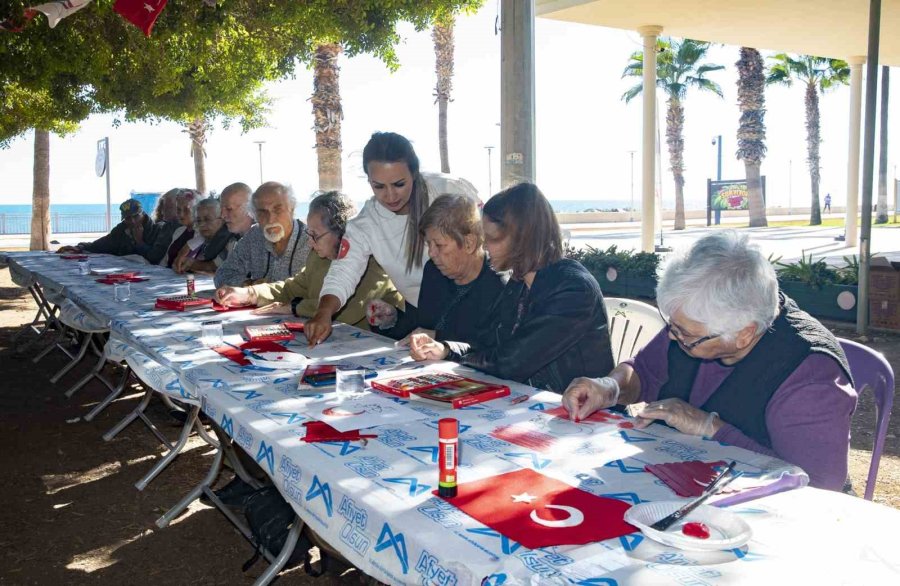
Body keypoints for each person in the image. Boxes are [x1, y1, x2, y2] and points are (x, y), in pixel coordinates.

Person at [562, 231, 857, 491]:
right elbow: (643, 373)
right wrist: (609, 387)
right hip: (689, 483)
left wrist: (710, 428)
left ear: (744, 334)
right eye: (672, 326)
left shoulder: (810, 377)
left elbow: (816, 487)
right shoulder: (701, 324)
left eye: (686, 334)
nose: (674, 338)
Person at [406, 183, 614, 394]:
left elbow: (511, 363)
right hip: (541, 406)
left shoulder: (573, 290)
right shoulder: (519, 283)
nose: (484, 246)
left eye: (491, 238)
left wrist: (455, 354)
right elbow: (487, 344)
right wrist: (446, 349)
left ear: (520, 237)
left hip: (588, 415)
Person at [304, 132, 432, 346]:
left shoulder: (449, 193)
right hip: (423, 316)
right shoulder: (366, 223)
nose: (390, 196)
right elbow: (343, 272)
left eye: (399, 184)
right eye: (379, 186)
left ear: (415, 172)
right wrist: (324, 313)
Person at [215, 191, 402, 329]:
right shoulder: (318, 256)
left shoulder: (372, 259)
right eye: (309, 234)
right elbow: (294, 287)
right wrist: (249, 294)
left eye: (316, 236)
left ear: (341, 231)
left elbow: (349, 309)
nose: (311, 243)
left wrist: (294, 307)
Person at [367, 193, 505, 344]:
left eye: (439, 245)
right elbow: (422, 328)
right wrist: (392, 320)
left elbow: (493, 347)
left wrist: (438, 338)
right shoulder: (434, 272)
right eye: (428, 244)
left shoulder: (500, 285)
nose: (431, 253)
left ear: (469, 243)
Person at [213, 182, 311, 287]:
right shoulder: (254, 236)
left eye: (277, 210)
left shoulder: (311, 240)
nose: (271, 219)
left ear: (291, 209)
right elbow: (222, 274)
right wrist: (248, 284)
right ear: (254, 215)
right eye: (262, 212)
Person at [180, 182, 254, 274]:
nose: (222, 216)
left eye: (229, 209)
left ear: (249, 208)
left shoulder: (262, 238)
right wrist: (191, 263)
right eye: (222, 210)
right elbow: (215, 265)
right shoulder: (233, 238)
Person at [57, 198, 163, 257]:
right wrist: (80, 247)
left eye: (136, 216)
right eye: (128, 218)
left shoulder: (156, 230)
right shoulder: (121, 229)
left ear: (143, 214)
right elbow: (102, 244)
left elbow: (155, 258)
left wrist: (140, 242)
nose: (133, 221)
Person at [173, 198, 233, 275]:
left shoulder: (232, 240)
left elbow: (217, 265)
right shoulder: (204, 240)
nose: (202, 225)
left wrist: (191, 263)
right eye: (198, 220)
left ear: (222, 219)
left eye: (207, 219)